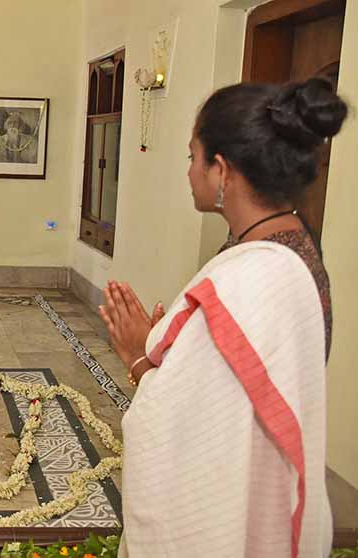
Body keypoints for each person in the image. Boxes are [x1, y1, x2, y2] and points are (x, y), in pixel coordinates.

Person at [99, 77, 346, 557]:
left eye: (193, 157)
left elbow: (188, 428)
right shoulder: (288, 245)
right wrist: (185, 346)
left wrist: (137, 359)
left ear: (222, 170)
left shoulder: (254, 275)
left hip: (243, 523)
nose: (188, 171)